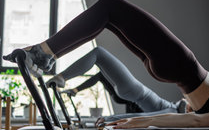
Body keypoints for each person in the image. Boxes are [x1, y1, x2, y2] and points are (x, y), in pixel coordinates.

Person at [3, 0, 209, 129]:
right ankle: (44, 55)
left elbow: (195, 121)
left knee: (109, 6)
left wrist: (142, 123)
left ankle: (42, 55)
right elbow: (190, 115)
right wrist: (135, 120)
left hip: (181, 65)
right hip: (173, 71)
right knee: (109, 17)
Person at [47, 46, 186, 113]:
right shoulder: (173, 107)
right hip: (131, 93)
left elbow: (144, 118)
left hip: (135, 91)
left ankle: (62, 77)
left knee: (99, 53)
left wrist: (111, 120)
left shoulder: (172, 112)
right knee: (101, 67)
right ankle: (63, 79)